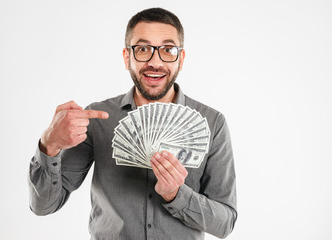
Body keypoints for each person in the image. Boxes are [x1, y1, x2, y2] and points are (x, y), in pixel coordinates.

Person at [29, 7, 237, 240]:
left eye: (168, 50)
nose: (155, 62)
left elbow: (225, 223)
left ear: (181, 58)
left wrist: (176, 195)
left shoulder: (212, 123)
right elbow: (44, 205)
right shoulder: (96, 119)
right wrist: (49, 146)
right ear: (127, 57)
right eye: (143, 49)